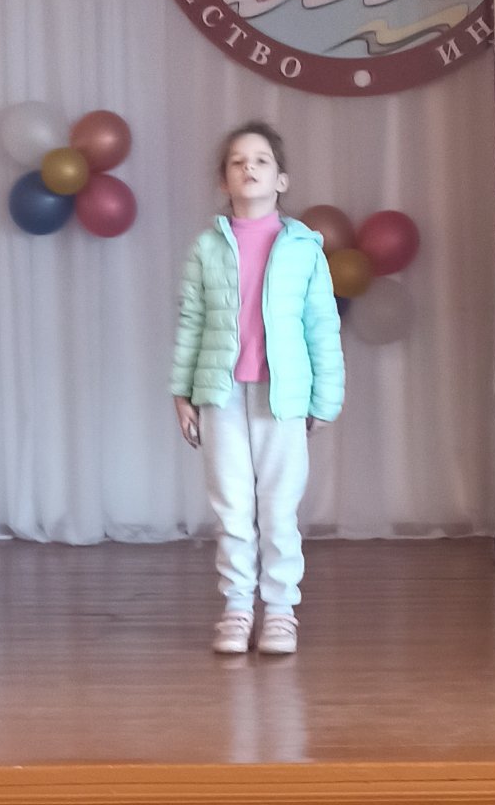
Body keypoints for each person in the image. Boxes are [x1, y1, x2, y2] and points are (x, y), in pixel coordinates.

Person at [170, 121, 344, 655]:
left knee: (278, 509)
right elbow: (192, 321)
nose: (250, 167)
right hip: (219, 394)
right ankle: (237, 607)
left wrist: (325, 398)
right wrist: (181, 391)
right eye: (238, 161)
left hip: (281, 396)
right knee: (231, 506)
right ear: (223, 180)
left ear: (281, 180)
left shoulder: (304, 248)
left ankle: (281, 610)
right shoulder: (207, 247)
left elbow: (321, 325)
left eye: (262, 160)